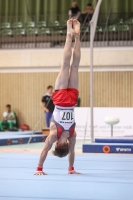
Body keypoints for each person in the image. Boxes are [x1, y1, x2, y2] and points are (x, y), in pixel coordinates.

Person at [35, 19, 81, 175]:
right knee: (66, 64)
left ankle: (77, 36)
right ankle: (69, 34)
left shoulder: (73, 136)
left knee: (74, 66)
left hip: (71, 100)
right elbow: (44, 151)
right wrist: (39, 168)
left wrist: (71, 168)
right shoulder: (53, 135)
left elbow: (73, 153)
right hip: (61, 99)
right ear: (56, 146)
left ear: (66, 146)